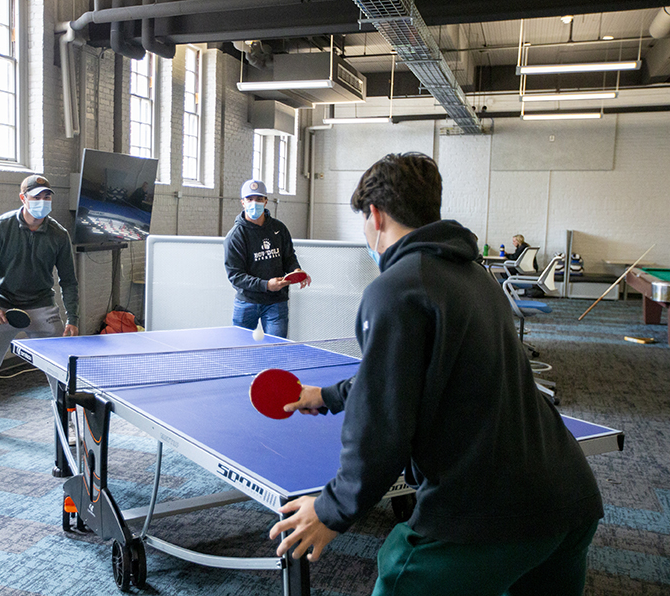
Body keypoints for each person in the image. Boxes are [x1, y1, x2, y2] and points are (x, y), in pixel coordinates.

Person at [269, 153, 603, 596]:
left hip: (485, 515)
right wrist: (324, 396)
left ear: (375, 215)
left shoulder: (395, 290)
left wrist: (333, 509)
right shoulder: (476, 278)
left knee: (399, 573)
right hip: (568, 499)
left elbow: (382, 425)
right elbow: (405, 378)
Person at [0, 174, 80, 442]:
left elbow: (68, 280)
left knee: (59, 368)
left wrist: (73, 316)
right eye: (37, 196)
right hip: (2, 307)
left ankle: (67, 420)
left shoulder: (59, 234)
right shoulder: (0, 227)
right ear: (23, 198)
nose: (43, 201)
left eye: (47, 196)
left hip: (41, 307)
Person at [223, 179, 310, 338]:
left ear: (266, 201)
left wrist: (296, 270)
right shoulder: (235, 236)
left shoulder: (279, 228)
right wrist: (266, 285)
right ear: (243, 202)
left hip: (276, 302)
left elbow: (289, 257)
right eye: (249, 199)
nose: (254, 203)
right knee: (239, 351)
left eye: (259, 199)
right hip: (247, 302)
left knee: (276, 350)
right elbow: (236, 276)